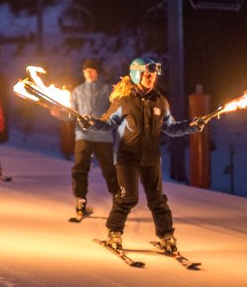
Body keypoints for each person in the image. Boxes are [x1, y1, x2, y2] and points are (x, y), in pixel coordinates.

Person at [84, 57, 205, 253]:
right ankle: (114, 231)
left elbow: (171, 128)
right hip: (126, 158)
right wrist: (91, 123)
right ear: (136, 75)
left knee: (157, 200)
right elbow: (107, 123)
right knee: (127, 198)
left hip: (151, 159)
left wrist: (191, 126)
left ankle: (166, 236)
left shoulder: (159, 100)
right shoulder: (124, 100)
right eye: (147, 75)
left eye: (154, 75)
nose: (151, 79)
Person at [53, 59, 119, 218]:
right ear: (83, 73)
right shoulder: (77, 91)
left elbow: (116, 109)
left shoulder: (107, 89)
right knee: (80, 168)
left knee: (109, 169)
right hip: (83, 135)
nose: (89, 73)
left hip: (103, 136)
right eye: (86, 71)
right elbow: (72, 114)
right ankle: (81, 200)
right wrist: (60, 114)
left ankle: (118, 199)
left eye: (92, 70)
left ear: (97, 72)